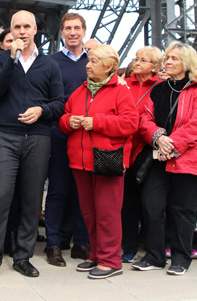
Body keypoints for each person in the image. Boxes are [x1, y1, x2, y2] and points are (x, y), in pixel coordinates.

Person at [0, 10, 64, 281]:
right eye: (17, 27)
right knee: (0, 195)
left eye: (27, 26)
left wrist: (41, 110)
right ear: (12, 30)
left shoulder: (50, 64)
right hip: (5, 136)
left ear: (35, 29)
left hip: (38, 137)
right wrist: (11, 59)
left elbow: (60, 103)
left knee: (31, 200)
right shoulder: (2, 58)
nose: (22, 31)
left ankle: (23, 257)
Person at [58, 44, 139, 279]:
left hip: (107, 160)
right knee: (90, 213)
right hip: (81, 161)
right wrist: (68, 121)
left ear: (109, 66)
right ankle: (96, 255)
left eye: (93, 61)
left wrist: (97, 121)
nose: (88, 64)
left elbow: (130, 124)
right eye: (89, 60)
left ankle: (111, 260)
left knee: (107, 213)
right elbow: (64, 116)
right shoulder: (80, 91)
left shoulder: (120, 91)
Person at [131, 41, 197, 276]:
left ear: (186, 63)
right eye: (167, 57)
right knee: (151, 203)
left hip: (188, 160)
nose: (168, 61)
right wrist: (158, 137)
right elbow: (145, 119)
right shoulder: (159, 89)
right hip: (160, 157)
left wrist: (172, 143)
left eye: (174, 58)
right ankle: (155, 256)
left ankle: (181, 257)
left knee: (183, 210)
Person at [44, 13, 90, 267]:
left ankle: (81, 242)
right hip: (59, 133)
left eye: (77, 28)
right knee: (59, 189)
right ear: (62, 32)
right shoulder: (52, 62)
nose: (73, 32)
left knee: (82, 190)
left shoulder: (93, 61)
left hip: (88, 134)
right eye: (68, 28)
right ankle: (53, 243)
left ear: (84, 31)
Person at [121, 46, 163, 262]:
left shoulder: (161, 87)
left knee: (150, 202)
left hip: (148, 151)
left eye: (143, 60)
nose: (136, 63)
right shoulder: (124, 85)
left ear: (155, 66)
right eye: (136, 59)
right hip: (126, 150)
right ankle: (127, 247)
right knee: (127, 203)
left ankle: (152, 247)